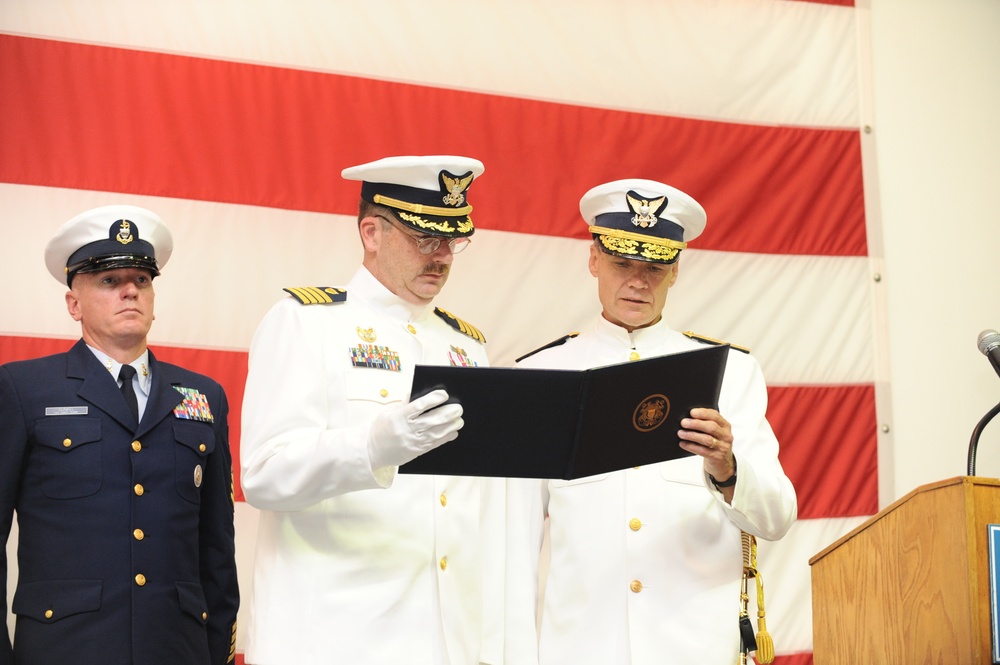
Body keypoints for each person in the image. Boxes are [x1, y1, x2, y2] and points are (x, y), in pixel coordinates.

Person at [507, 179, 798, 664]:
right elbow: (514, 544)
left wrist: (727, 467)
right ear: (594, 259)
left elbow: (776, 518)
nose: (638, 281)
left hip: (693, 647)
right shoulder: (542, 375)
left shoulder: (731, 372)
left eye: (655, 268)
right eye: (623, 263)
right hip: (581, 647)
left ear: (676, 271)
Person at [240, 155, 503, 665]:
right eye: (425, 238)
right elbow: (263, 477)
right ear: (371, 233)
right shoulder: (306, 323)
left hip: (446, 638)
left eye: (452, 241)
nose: (442, 257)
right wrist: (372, 446)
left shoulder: (465, 346)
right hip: (339, 638)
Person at [0, 205, 239, 665]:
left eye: (142, 280)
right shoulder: (22, 390)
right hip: (65, 649)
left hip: (178, 648)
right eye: (110, 281)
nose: (130, 290)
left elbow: (217, 548)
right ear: (74, 303)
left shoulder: (204, 395)